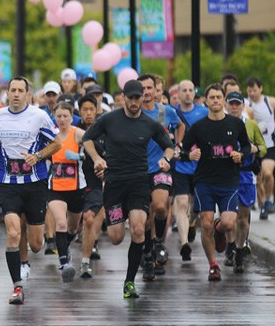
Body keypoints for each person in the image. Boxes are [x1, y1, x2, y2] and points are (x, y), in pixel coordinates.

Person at [82, 80, 174, 299]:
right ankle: (122, 222)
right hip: (114, 184)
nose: (133, 102)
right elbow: (87, 139)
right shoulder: (109, 119)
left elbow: (169, 146)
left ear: (143, 97)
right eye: (130, 98)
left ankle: (129, 282)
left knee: (139, 230)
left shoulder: (149, 123)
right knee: (115, 237)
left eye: (137, 98)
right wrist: (96, 158)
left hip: (138, 183)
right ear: (123, 97)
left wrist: (166, 159)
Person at [0, 76, 62, 305]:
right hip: (8, 183)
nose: (16, 94)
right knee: (13, 233)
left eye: (21, 90)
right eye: (13, 90)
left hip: (34, 183)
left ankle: (28, 252)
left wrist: (37, 156)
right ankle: (17, 286)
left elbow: (56, 144)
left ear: (28, 94)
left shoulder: (38, 116)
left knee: (37, 245)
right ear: (7, 93)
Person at [181, 84, 251, 281]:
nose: (215, 101)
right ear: (206, 101)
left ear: (224, 100)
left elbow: (247, 146)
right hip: (205, 181)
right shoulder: (198, 127)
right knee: (206, 224)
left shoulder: (236, 124)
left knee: (229, 224)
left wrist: (241, 155)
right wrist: (190, 155)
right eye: (211, 98)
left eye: (219, 97)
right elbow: (183, 151)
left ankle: (220, 227)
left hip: (229, 180)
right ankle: (213, 265)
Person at [137, 74, 183, 280]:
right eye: (142, 88)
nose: (146, 92)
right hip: (137, 170)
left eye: (150, 88)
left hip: (160, 167)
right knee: (145, 218)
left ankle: (158, 244)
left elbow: (180, 125)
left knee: (162, 206)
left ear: (156, 90)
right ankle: (147, 256)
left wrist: (177, 145)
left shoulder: (166, 112)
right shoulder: (132, 113)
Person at [223, 91, 266, 273]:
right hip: (226, 176)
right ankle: (231, 245)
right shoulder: (221, 124)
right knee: (228, 219)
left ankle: (239, 251)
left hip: (246, 175)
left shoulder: (251, 125)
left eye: (237, 104)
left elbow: (264, 148)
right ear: (226, 105)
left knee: (242, 218)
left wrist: (255, 148)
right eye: (231, 104)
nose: (234, 107)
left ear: (242, 105)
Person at [47, 102, 86, 282]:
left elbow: (95, 151)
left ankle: (66, 244)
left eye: (65, 116)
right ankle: (64, 263)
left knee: (72, 227)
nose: (62, 119)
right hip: (55, 187)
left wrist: (79, 156)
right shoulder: (51, 135)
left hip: (76, 187)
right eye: (59, 116)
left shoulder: (78, 133)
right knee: (61, 223)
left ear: (72, 116)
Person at [172, 79, 208, 261]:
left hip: (201, 166)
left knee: (196, 207)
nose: (187, 93)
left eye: (190, 90)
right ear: (178, 93)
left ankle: (193, 222)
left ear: (195, 93)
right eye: (184, 90)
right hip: (180, 165)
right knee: (182, 202)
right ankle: (185, 243)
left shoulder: (205, 112)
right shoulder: (172, 113)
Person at [77, 94, 106, 277]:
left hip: (95, 180)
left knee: (88, 218)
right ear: (79, 112)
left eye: (91, 109)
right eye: (84, 110)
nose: (88, 113)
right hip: (72, 181)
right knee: (72, 227)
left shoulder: (104, 130)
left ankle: (86, 261)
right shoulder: (73, 130)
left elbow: (110, 154)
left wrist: (106, 168)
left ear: (97, 110)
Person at [246, 77, 275, 219]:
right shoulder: (246, 104)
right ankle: (263, 205)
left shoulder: (270, 102)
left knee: (267, 173)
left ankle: (269, 199)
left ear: (261, 89)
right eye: (249, 90)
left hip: (269, 145)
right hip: (255, 147)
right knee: (258, 179)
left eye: (254, 90)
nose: (252, 93)